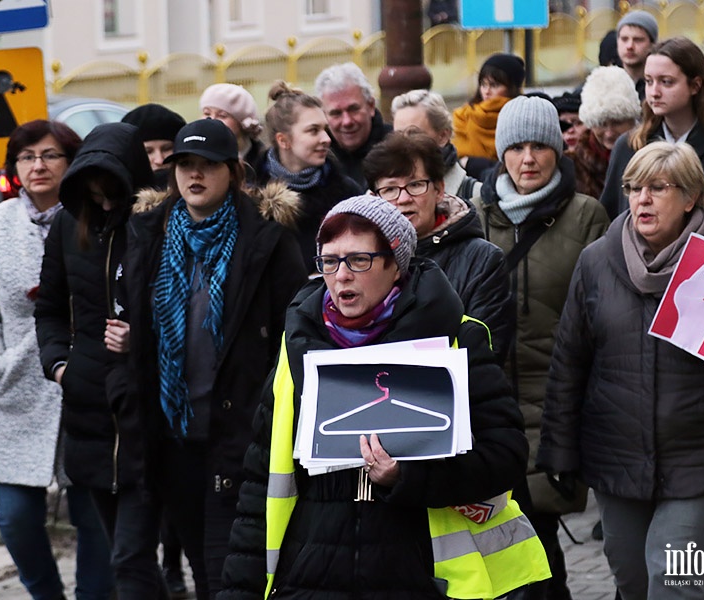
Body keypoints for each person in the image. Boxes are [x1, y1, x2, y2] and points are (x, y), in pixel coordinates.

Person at [218, 194, 551, 599]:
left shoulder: (455, 340)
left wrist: (408, 478)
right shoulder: (298, 346)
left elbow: (505, 457)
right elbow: (260, 487)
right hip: (312, 577)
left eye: (359, 260)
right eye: (329, 260)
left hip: (421, 577)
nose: (341, 275)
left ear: (396, 265)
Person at [540, 140, 704, 600]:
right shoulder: (597, 261)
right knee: (633, 583)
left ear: (691, 197)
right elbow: (570, 360)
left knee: (673, 582)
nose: (642, 199)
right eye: (634, 188)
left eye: (657, 187)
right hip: (619, 457)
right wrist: (558, 450)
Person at [123, 118, 306, 600]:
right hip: (173, 437)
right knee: (203, 567)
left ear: (233, 172)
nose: (193, 175)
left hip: (240, 435)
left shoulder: (267, 240)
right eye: (185, 164)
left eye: (207, 165)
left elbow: (295, 337)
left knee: (230, 571)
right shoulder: (150, 235)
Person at [0, 119, 115, 600]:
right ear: (14, 168)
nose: (38, 166)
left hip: (84, 385)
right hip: (17, 385)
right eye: (26, 157)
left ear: (72, 162)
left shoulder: (95, 216)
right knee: (16, 516)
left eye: (49, 155)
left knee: (95, 516)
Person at [471, 96, 610, 600]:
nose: (527, 158)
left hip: (555, 407)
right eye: (515, 147)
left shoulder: (586, 217)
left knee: (539, 544)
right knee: (500, 550)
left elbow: (599, 319)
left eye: (539, 146)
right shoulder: (475, 217)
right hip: (487, 410)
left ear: (557, 150)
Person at [34, 122, 165, 598]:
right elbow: (48, 308)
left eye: (112, 194)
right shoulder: (69, 225)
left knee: (130, 559)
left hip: (142, 416)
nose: (105, 204)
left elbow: (181, 312)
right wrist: (60, 366)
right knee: (126, 560)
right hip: (87, 412)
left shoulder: (156, 223)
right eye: (94, 195)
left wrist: (140, 338)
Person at [121, 102, 190, 598]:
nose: (160, 160)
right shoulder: (130, 220)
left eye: (169, 150)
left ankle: (177, 562)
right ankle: (167, 566)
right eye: (149, 151)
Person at [363, 130, 512, 359]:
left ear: (439, 190)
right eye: (390, 189)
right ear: (375, 198)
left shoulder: (483, 259)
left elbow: (485, 351)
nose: (403, 199)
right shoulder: (361, 260)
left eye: (415, 185)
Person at [599, 37, 704, 220]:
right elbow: (611, 217)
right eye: (649, 81)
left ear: (695, 85)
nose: (654, 92)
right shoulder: (629, 146)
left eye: (666, 82)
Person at [255, 80, 361, 273]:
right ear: (283, 140)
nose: (326, 139)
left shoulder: (346, 193)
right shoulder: (253, 197)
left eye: (325, 129)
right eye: (313, 131)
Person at [391, 88, 481, 200]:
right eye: (398, 135)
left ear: (443, 136)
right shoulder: (380, 195)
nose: (403, 143)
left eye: (414, 134)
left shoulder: (475, 196)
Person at [314, 62, 392, 188]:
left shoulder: (396, 147)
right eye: (336, 113)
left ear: (371, 105)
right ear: (323, 115)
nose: (347, 121)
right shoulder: (315, 158)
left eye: (353, 109)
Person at [452, 52, 526, 179]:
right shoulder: (464, 116)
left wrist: (472, 164)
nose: (486, 91)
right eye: (483, 84)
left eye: (494, 85)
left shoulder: (521, 117)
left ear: (511, 88)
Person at [572, 65, 642, 199]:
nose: (609, 133)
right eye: (601, 124)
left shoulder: (651, 158)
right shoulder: (573, 166)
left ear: (632, 120)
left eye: (617, 122)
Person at [200, 83, 266, 180]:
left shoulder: (264, 161)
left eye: (222, 115)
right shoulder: (197, 154)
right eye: (207, 113)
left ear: (242, 122)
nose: (212, 120)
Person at [616, 10, 658, 100]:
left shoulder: (658, 88)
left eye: (638, 40)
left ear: (652, 44)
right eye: (624, 39)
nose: (630, 46)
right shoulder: (604, 85)